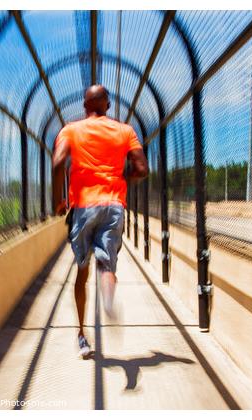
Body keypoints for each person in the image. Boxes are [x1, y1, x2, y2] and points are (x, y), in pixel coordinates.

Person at [52, 85, 149, 358]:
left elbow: (58, 163)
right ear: (108, 105)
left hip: (83, 207)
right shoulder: (125, 131)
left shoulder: (71, 130)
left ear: (85, 106)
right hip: (113, 205)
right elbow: (142, 169)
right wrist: (119, 178)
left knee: (81, 273)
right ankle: (107, 294)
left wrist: (58, 201)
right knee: (106, 264)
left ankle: (82, 335)